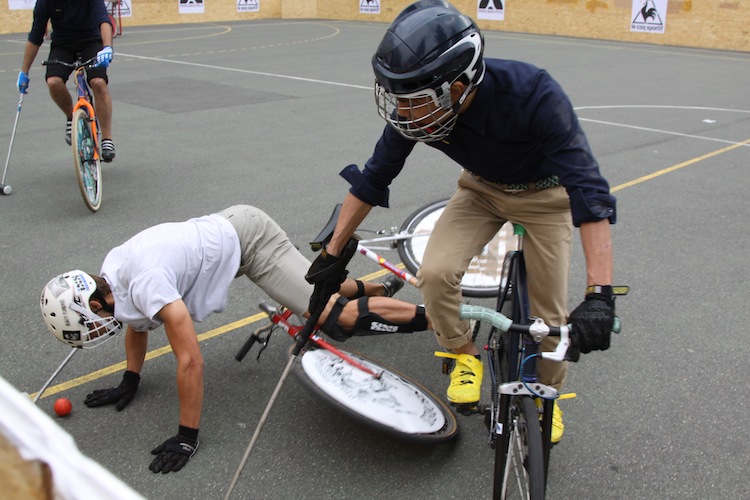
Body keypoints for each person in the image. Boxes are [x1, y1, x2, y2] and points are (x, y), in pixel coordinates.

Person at [307, 0, 619, 444]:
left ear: (458, 86)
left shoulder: (534, 94)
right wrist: (333, 254)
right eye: (397, 98)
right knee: (434, 273)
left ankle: (546, 394)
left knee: (550, 317)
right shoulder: (419, 111)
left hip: (545, 197)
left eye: (411, 101)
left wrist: (600, 296)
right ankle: (463, 352)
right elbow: (374, 177)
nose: (402, 112)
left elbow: (589, 191)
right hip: (481, 190)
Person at [40, 205, 430, 474]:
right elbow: (135, 322)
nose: (93, 331)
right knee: (314, 290)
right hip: (231, 228)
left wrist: (186, 437)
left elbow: (191, 360)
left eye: (87, 323)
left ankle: (438, 320)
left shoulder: (146, 283)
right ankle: (378, 288)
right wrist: (131, 378)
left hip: (252, 242)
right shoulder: (111, 274)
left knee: (333, 318)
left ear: (94, 300)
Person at [17, 0, 117, 162]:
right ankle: (72, 117)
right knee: (53, 82)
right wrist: (24, 72)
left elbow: (103, 20)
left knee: (98, 82)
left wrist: (107, 47)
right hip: (63, 45)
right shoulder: (45, 2)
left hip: (91, 41)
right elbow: (35, 36)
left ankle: (106, 139)